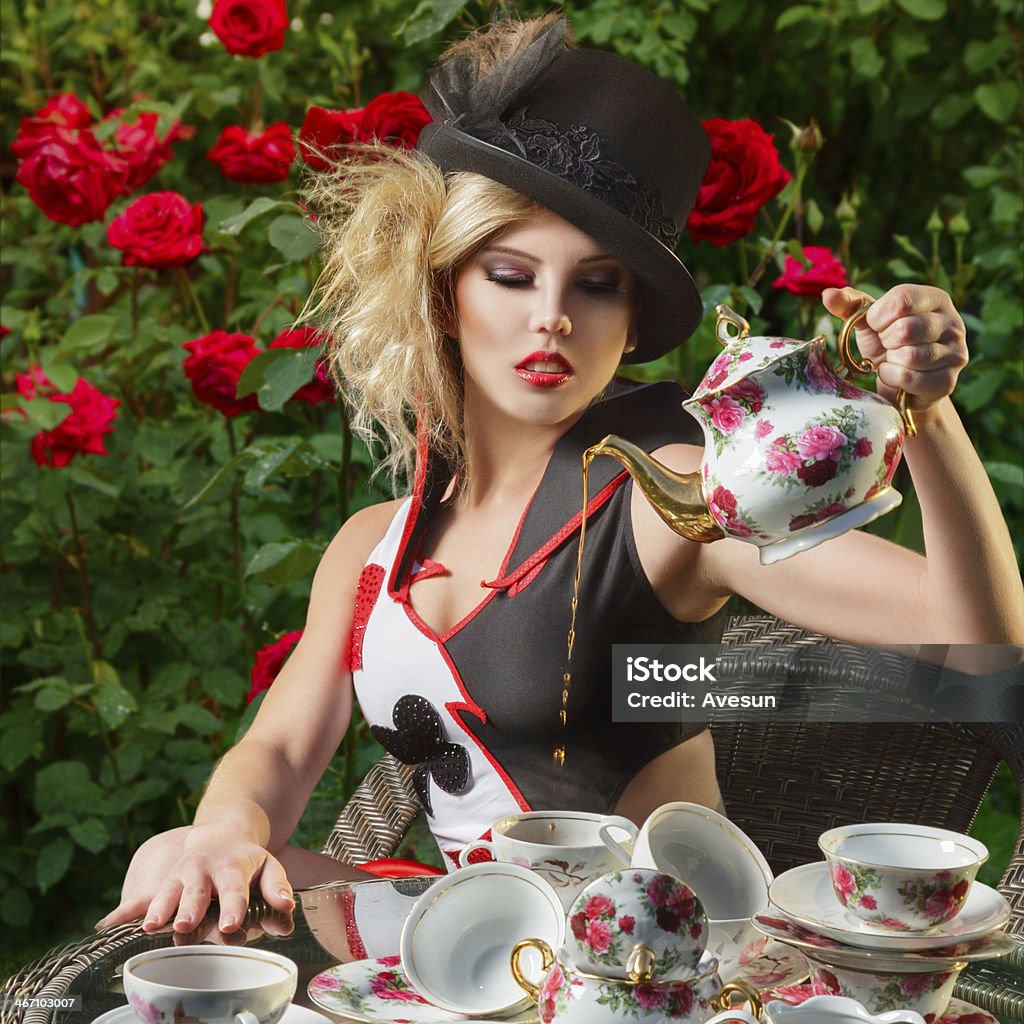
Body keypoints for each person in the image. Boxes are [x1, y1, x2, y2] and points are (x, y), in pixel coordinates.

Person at [98, 14, 1023, 937]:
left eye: (595, 283)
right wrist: (222, 830)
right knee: (181, 872)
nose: (552, 319)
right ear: (445, 297)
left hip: (652, 969)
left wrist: (925, 410)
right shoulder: (368, 549)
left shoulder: (668, 499)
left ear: (629, 322)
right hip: (472, 950)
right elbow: (279, 752)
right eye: (509, 274)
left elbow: (977, 637)